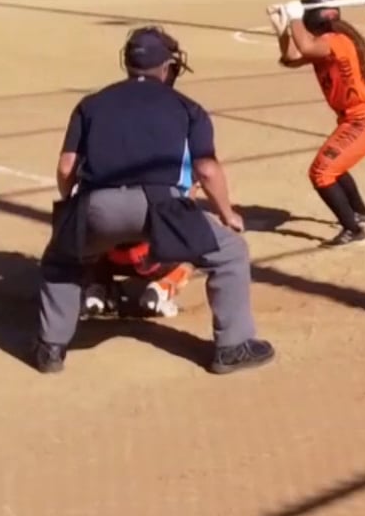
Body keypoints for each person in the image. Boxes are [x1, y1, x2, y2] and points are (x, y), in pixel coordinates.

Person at [36, 26, 274, 375]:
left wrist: (74, 212)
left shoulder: (91, 104)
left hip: (98, 205)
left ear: (127, 63)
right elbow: (206, 170)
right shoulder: (187, 107)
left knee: (60, 260)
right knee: (230, 253)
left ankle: (51, 349)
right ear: (167, 67)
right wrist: (227, 213)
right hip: (162, 207)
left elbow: (66, 167)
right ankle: (232, 347)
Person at [271, 0, 365, 247]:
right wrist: (282, 30)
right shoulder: (328, 42)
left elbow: (304, 47)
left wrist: (294, 17)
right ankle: (362, 215)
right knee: (335, 166)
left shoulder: (334, 42)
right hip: (358, 118)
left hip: (364, 119)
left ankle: (353, 231)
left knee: (321, 173)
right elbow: (291, 59)